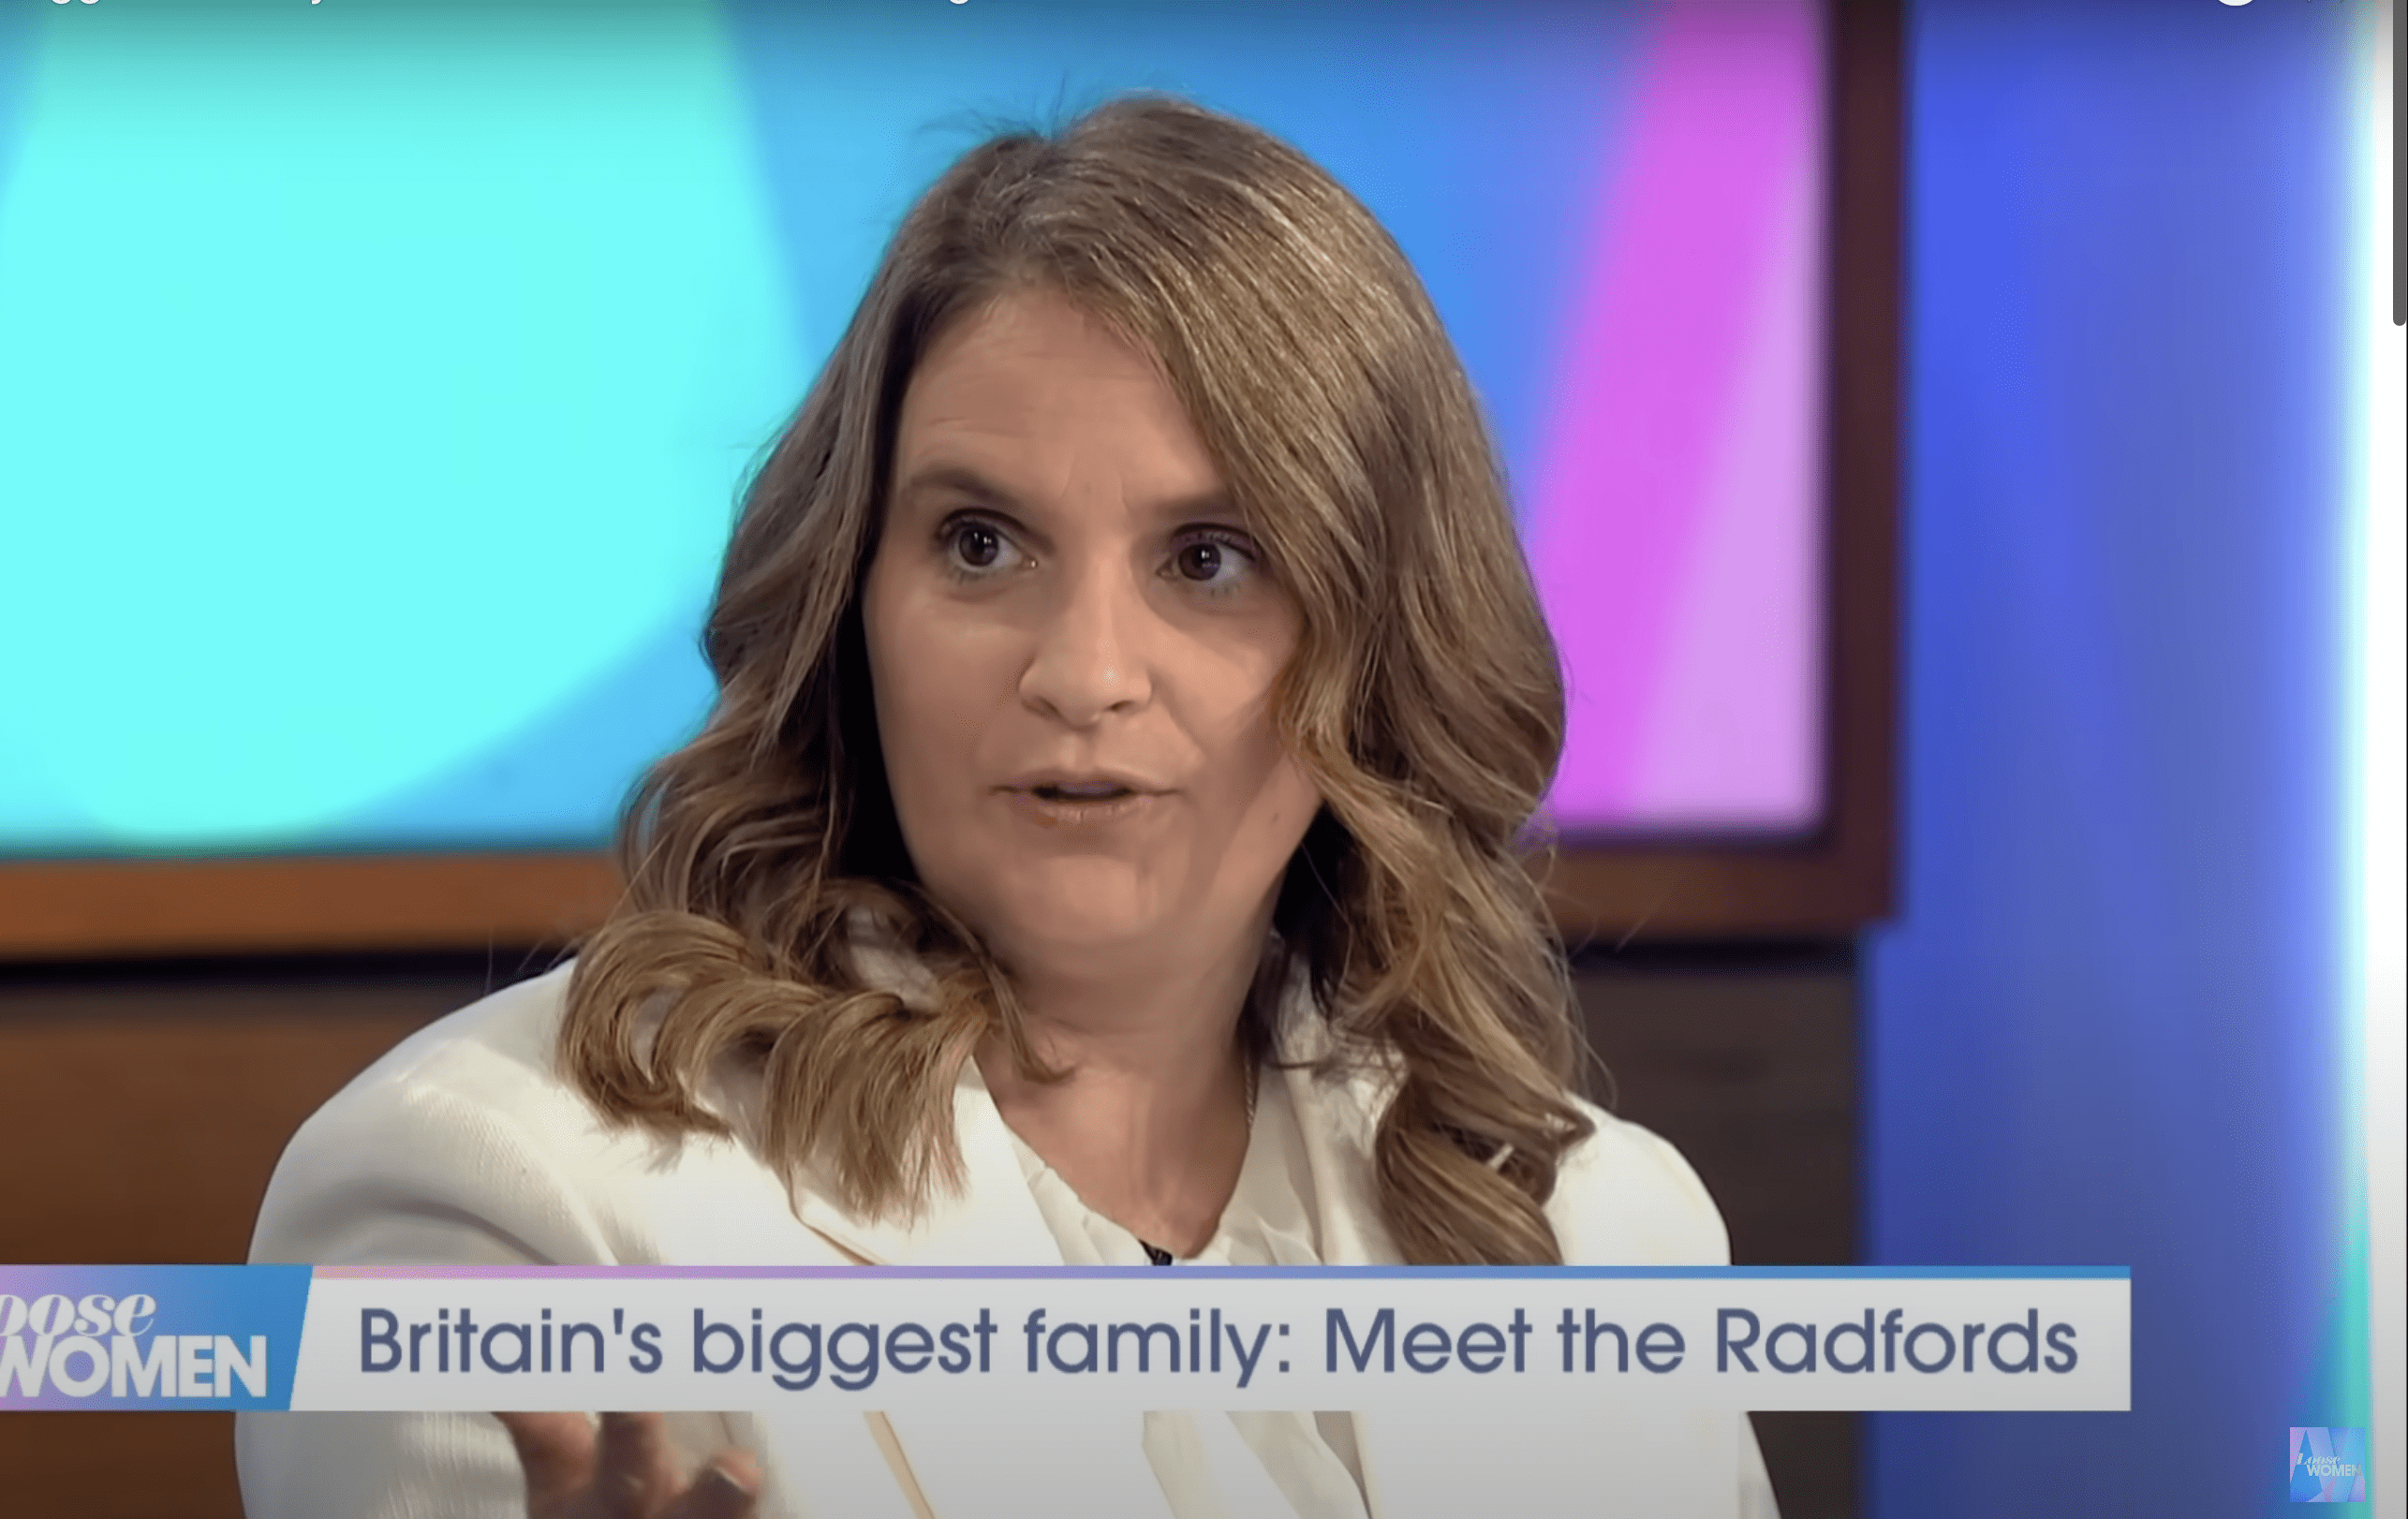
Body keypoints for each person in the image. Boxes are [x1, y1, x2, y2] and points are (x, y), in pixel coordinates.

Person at [238, 96, 1780, 1519]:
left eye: (1208, 557)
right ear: (852, 605)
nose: (1085, 671)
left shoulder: (1606, 1231)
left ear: (1380, 639)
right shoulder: (498, 1201)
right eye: (981, 544)